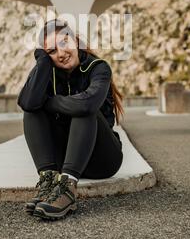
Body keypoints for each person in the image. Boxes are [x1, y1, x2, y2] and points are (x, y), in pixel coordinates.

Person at [17, 18, 124, 220]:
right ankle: (48, 182)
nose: (61, 53)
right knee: (32, 110)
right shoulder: (48, 70)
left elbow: (85, 105)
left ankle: (67, 190)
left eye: (64, 43)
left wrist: (49, 102)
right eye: (52, 51)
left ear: (75, 41)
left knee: (84, 109)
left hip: (102, 159)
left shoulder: (98, 68)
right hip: (63, 159)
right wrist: (42, 61)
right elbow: (28, 103)